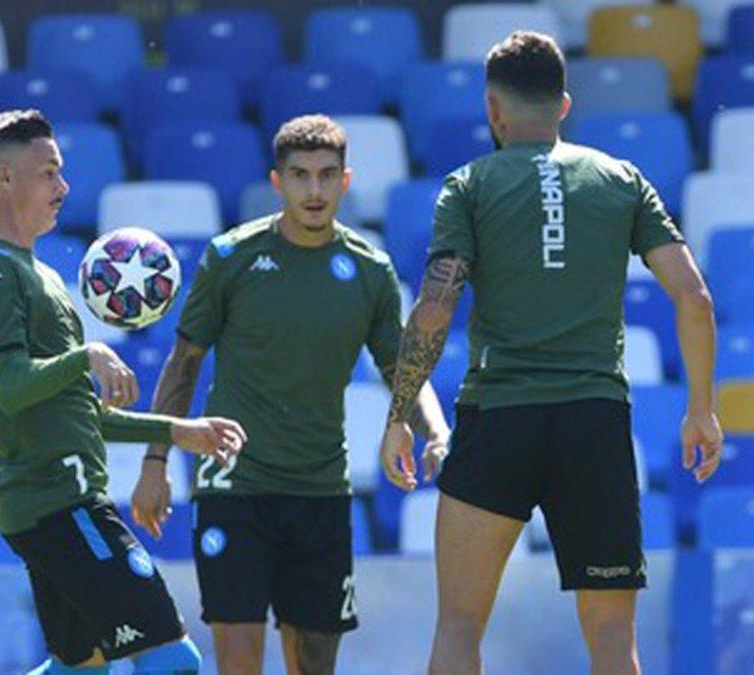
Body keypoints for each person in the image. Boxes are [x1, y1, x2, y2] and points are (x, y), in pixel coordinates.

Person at [377, 31, 723, 675]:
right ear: (563, 105)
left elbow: (434, 305)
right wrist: (700, 407)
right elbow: (694, 296)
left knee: (458, 625)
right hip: (593, 420)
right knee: (614, 638)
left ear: (492, 109)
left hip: (499, 417)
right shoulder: (621, 179)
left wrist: (399, 414)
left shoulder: (469, 183)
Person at [131, 114, 450, 675]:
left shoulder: (371, 271)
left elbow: (402, 369)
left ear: (346, 181)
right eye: (300, 175)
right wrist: (156, 461)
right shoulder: (230, 257)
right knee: (238, 656)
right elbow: (184, 362)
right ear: (276, 182)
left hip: (320, 488)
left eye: (327, 175)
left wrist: (436, 431)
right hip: (235, 488)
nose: (315, 190)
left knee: (316, 665)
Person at [0, 109, 248, 674]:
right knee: (173, 660)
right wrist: (87, 354)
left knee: (81, 668)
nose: (64, 187)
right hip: (61, 505)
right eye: (50, 173)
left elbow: (73, 412)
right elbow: (10, 387)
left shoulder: (36, 273)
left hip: (47, 505)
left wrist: (175, 431)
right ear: (4, 180)